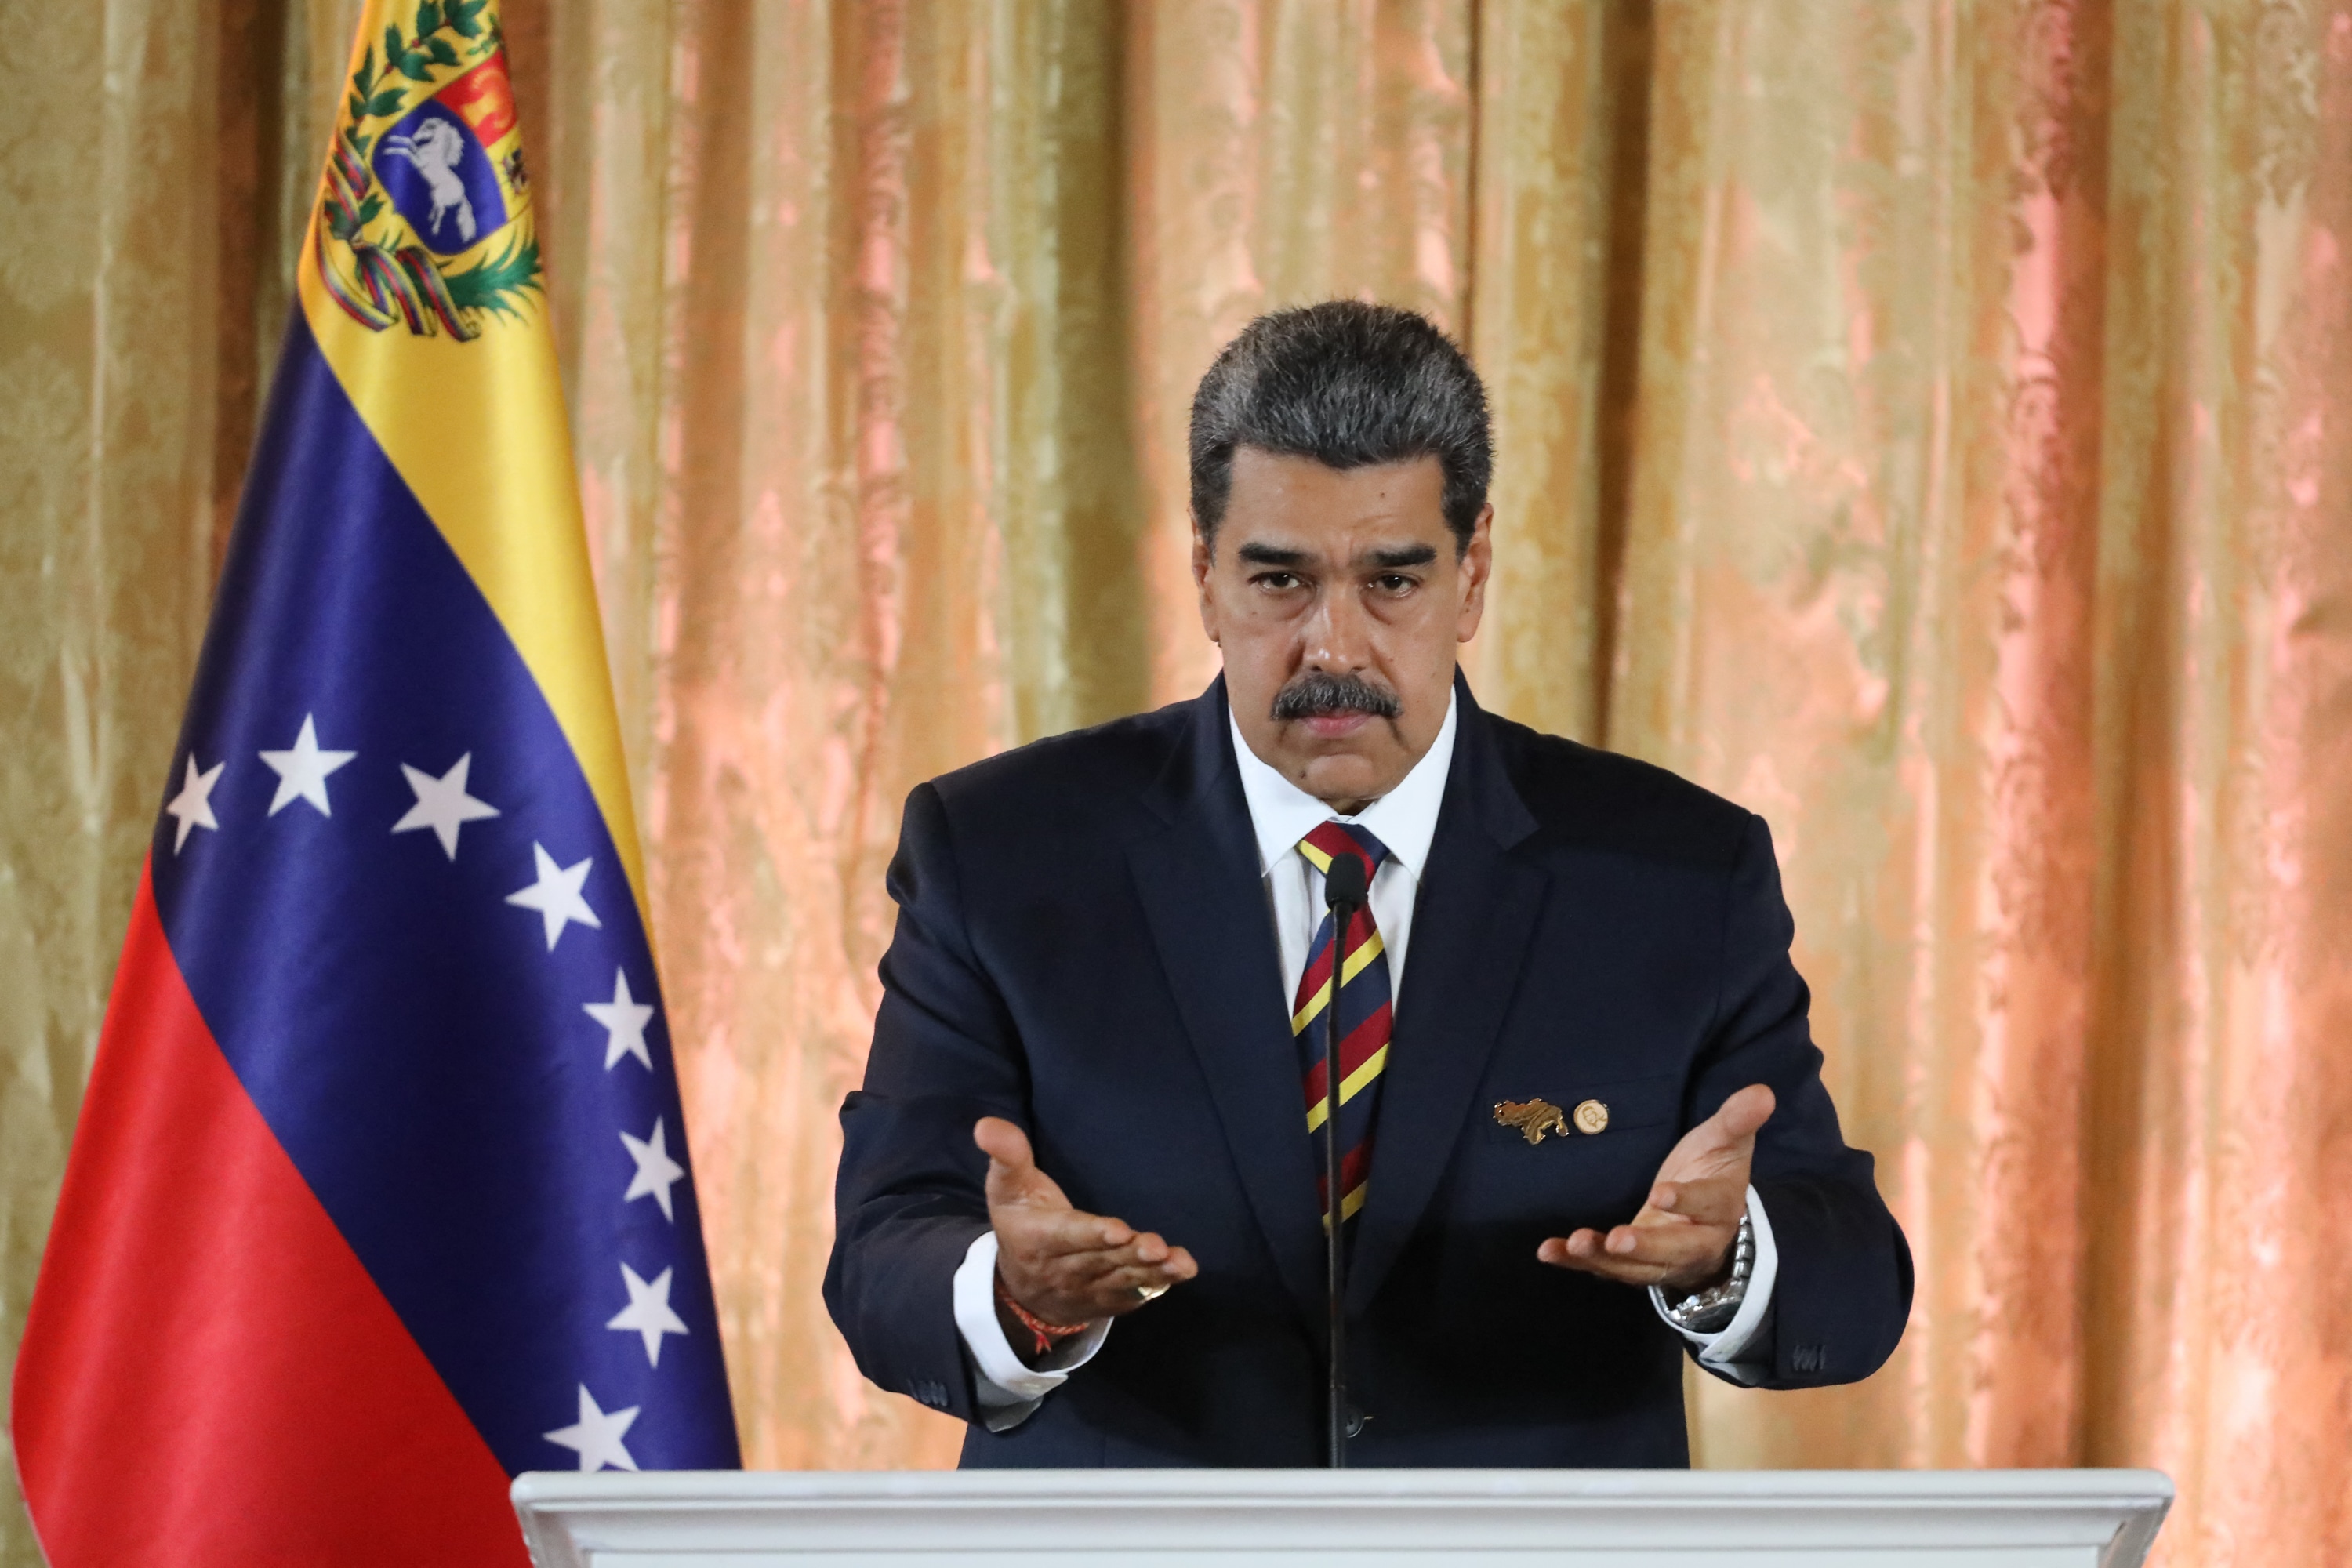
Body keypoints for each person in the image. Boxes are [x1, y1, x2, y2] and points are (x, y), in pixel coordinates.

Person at [824, 302, 1911, 1467]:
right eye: (1280, 581)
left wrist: (1728, 1254)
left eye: (1392, 582)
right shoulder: (1000, 852)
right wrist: (1014, 1293)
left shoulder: (1677, 872)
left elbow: (1852, 1277)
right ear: (1204, 574)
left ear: (1473, 574)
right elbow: (888, 1247)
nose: (1334, 646)